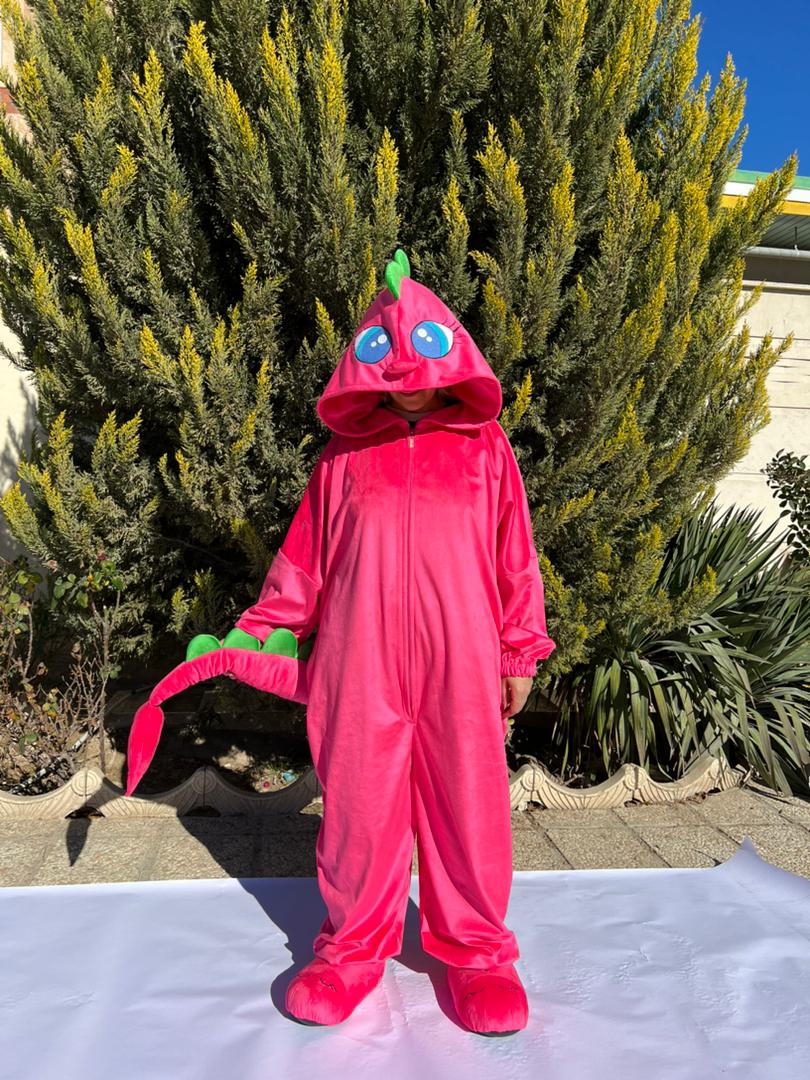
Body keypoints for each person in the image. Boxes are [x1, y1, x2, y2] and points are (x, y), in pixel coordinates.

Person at [234, 249, 556, 1035]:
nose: (409, 376)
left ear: (452, 356)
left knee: (469, 807)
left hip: (462, 660)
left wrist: (518, 651)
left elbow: (515, 556)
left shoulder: (484, 446)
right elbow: (304, 561)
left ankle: (477, 954)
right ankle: (350, 950)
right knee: (357, 807)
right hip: (360, 661)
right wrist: (264, 632)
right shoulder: (343, 457)